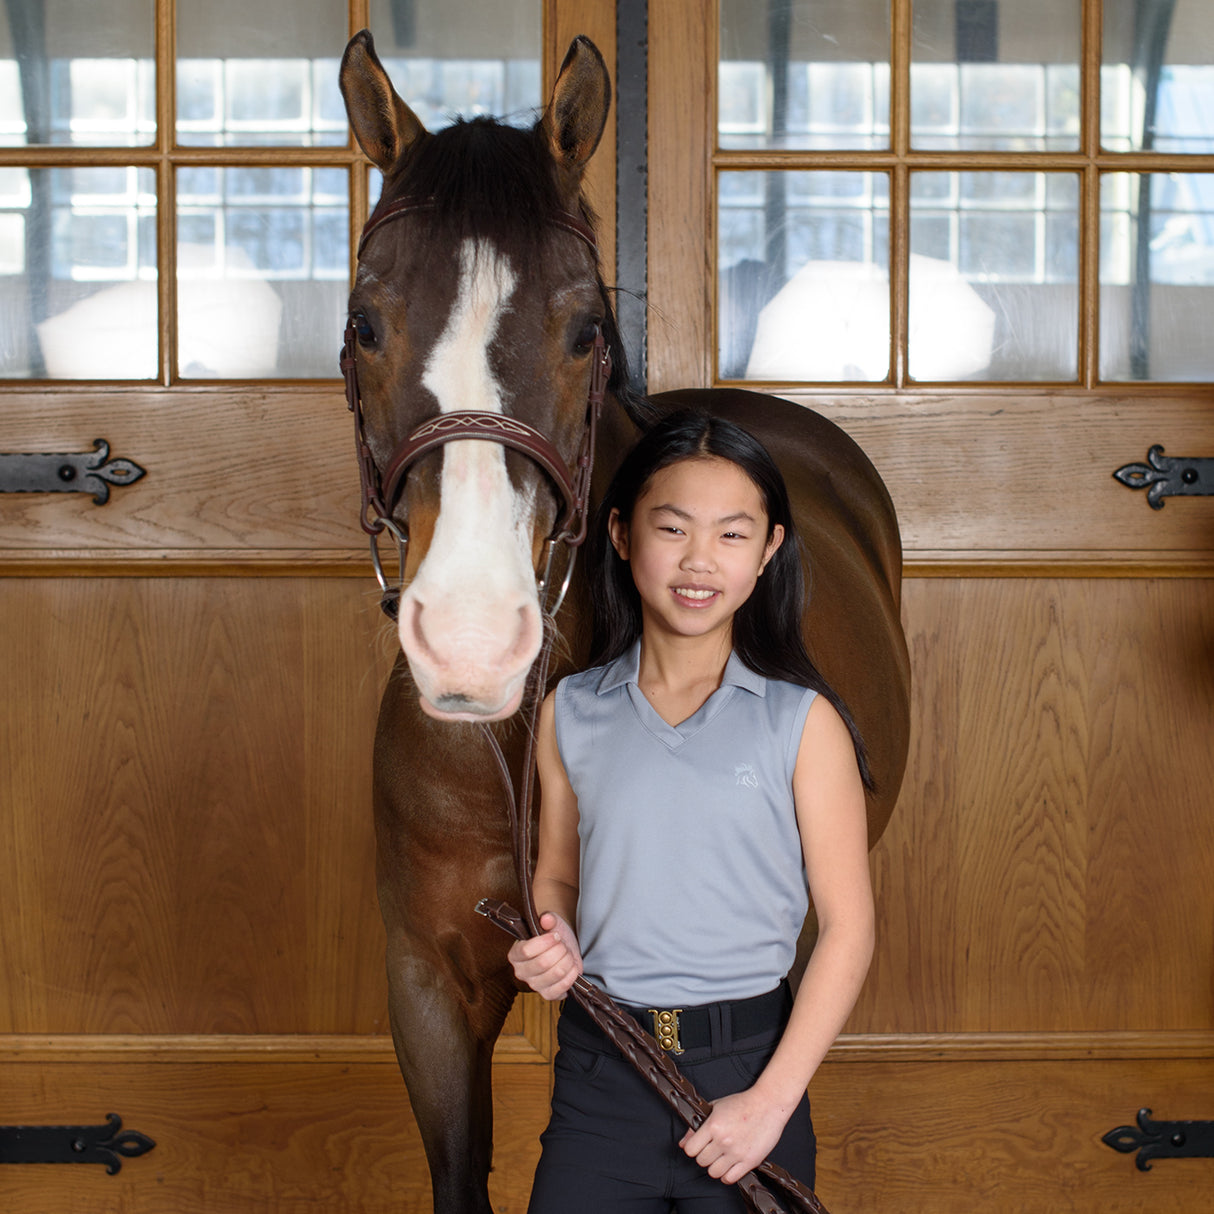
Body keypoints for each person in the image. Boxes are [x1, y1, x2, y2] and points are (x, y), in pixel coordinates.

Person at [509, 409, 875, 1212]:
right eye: (671, 528)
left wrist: (771, 1105)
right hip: (602, 1071)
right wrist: (552, 938)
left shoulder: (801, 723)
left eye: (732, 535)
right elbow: (557, 880)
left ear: (769, 550)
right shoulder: (569, 710)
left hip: (747, 1073)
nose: (698, 561)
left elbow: (849, 930)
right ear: (620, 533)